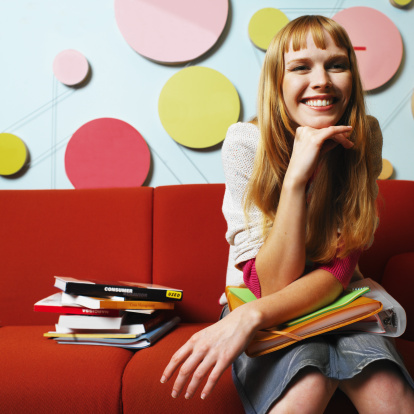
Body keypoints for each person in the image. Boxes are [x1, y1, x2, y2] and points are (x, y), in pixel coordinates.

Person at [160, 15, 414, 413]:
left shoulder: (365, 134)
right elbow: (272, 285)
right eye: (300, 67)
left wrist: (249, 320)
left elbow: (339, 272)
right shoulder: (246, 142)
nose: (322, 81)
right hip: (260, 293)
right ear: (277, 81)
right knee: (306, 386)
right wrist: (297, 177)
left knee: (389, 393)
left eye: (336, 64)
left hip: (336, 297)